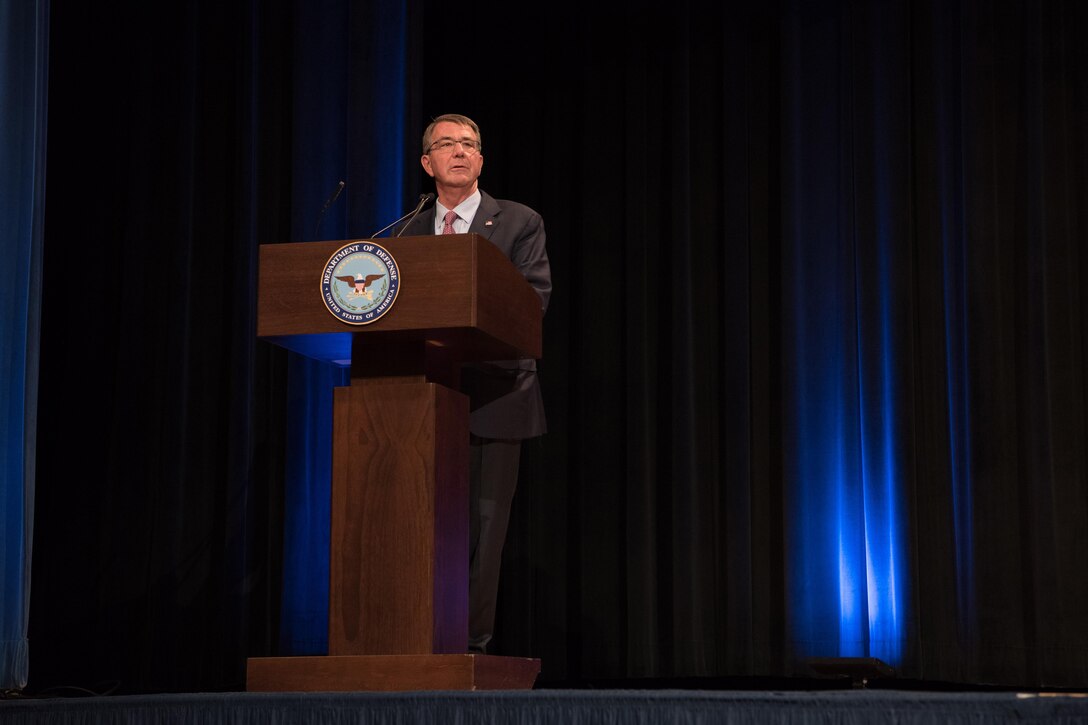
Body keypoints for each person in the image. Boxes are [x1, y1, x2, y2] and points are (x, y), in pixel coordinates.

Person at [397, 114, 551, 654]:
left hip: (496, 393)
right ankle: (411, 641)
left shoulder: (517, 222)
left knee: (483, 531)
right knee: (419, 520)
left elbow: (532, 302)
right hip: (419, 395)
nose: (459, 152)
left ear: (481, 160)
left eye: (469, 145)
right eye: (446, 144)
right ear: (427, 163)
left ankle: (470, 648)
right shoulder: (407, 230)